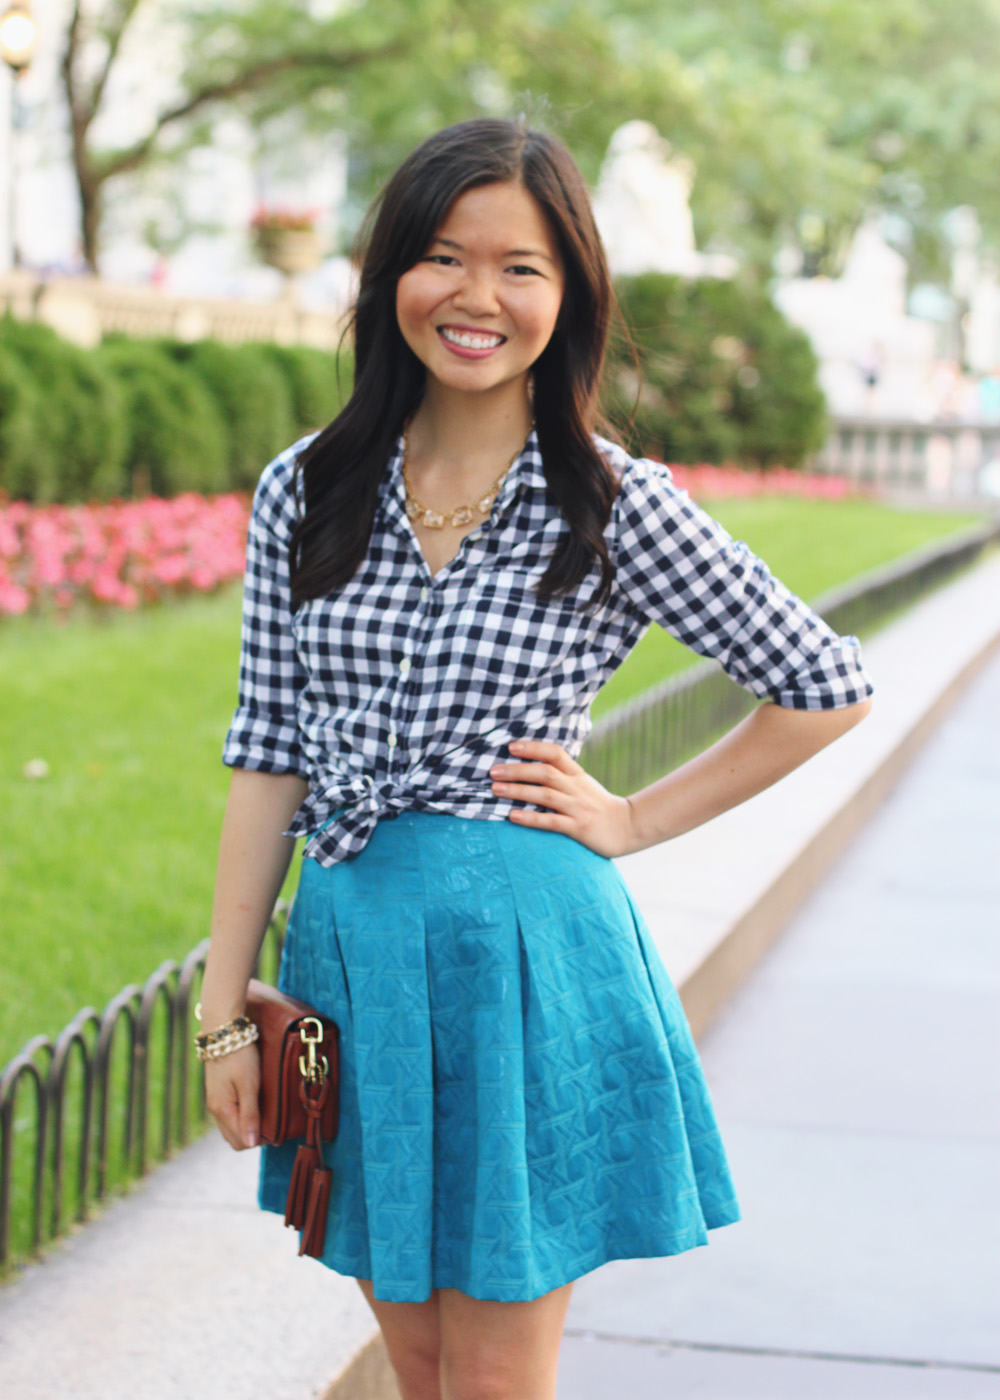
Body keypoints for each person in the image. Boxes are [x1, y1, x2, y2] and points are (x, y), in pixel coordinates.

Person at [199, 118, 873, 1400]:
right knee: (416, 1359)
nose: (476, 296)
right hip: (347, 960)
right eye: (444, 257)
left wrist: (633, 818)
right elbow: (265, 751)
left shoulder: (609, 501)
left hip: (522, 963)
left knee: (497, 1376)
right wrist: (221, 1010)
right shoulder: (310, 487)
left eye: (520, 267)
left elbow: (823, 681)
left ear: (566, 297)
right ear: (391, 272)